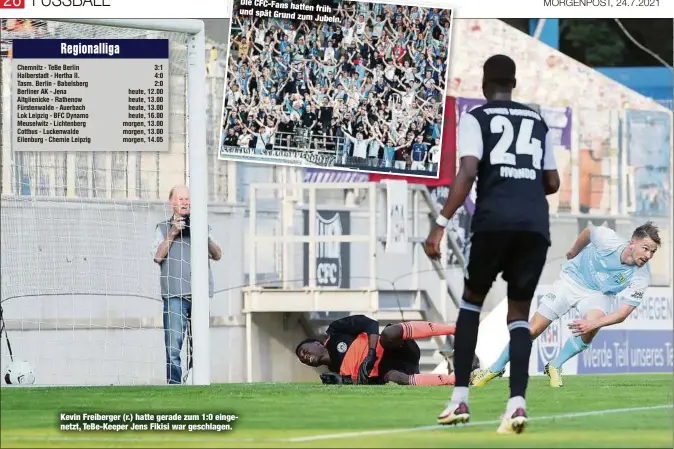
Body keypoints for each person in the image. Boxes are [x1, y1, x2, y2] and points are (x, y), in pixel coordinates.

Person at [423, 54, 560, 434]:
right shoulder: (537, 121)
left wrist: (439, 224)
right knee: (519, 315)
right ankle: (516, 404)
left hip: (493, 222)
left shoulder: (476, 118)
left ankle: (459, 399)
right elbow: (552, 183)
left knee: (470, 303)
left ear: (485, 85)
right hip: (535, 226)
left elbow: (468, 169)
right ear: (513, 83)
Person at [471, 222, 660, 389]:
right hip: (570, 281)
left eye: (652, 251)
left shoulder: (641, 276)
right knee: (532, 330)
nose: (648, 255)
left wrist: (593, 324)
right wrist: (574, 251)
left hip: (598, 294)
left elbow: (622, 313)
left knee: (591, 327)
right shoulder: (607, 238)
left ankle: (555, 365)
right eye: (645, 248)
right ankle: (495, 369)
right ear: (632, 242)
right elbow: (588, 231)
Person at [152, 185, 222, 384]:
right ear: (172, 202)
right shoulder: (162, 228)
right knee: (173, 347)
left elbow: (217, 255)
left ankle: (195, 381)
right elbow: (157, 257)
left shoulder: (203, 226)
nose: (185, 202)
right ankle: (174, 385)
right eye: (181, 199)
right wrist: (173, 232)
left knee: (199, 346)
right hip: (174, 296)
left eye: (188, 199)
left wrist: (202, 234)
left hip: (199, 296)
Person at [295, 314, 459, 386]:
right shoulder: (334, 373)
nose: (303, 356)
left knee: (388, 333)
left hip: (396, 347)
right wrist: (340, 381)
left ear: (317, 343)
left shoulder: (335, 332)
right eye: (301, 359)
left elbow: (369, 323)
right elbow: (366, 384)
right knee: (393, 377)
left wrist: (371, 354)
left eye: (303, 350)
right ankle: (455, 380)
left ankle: (454, 329)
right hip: (398, 369)